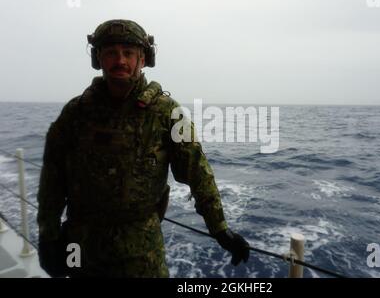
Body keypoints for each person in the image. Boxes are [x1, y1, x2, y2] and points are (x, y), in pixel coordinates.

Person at [37, 19, 250, 277]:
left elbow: (197, 172)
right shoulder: (76, 113)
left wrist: (220, 230)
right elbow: (52, 180)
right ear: (98, 59)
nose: (120, 61)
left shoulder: (167, 113)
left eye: (128, 53)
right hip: (81, 244)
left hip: (141, 248)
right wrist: (48, 237)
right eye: (111, 53)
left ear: (143, 58)